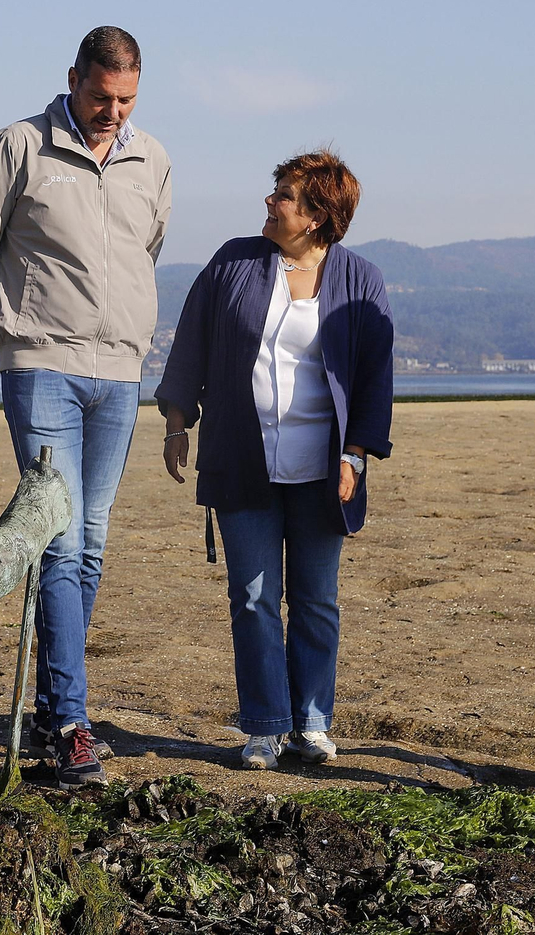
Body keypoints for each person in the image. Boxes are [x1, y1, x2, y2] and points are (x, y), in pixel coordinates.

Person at [0, 26, 172, 788]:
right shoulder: (15, 147)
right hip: (42, 365)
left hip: (121, 373)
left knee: (91, 542)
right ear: (73, 78)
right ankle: (74, 724)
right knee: (62, 543)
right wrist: (8, 329)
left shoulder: (153, 158)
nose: (113, 112)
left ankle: (53, 712)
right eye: (102, 96)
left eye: (126, 99)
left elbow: (148, 248)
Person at [155, 150, 394, 771]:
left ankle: (311, 724)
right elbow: (191, 344)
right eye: (276, 190)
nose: (270, 201)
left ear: (316, 216)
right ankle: (264, 725)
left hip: (324, 469)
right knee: (254, 597)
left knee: (316, 599)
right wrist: (178, 423)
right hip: (242, 459)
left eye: (285, 195)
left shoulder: (361, 279)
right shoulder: (233, 262)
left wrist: (356, 456)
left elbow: (375, 377)